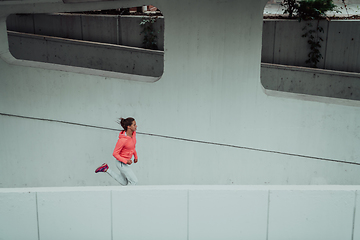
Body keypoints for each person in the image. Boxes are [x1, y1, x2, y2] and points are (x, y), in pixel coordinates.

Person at [95, 117, 138, 185]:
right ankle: (129, 195)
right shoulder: (122, 140)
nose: (136, 126)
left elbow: (132, 147)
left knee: (124, 182)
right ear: (129, 126)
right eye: (134, 125)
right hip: (121, 163)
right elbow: (115, 153)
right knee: (134, 181)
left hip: (126, 162)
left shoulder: (133, 134)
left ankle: (106, 169)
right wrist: (126, 161)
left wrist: (135, 156)